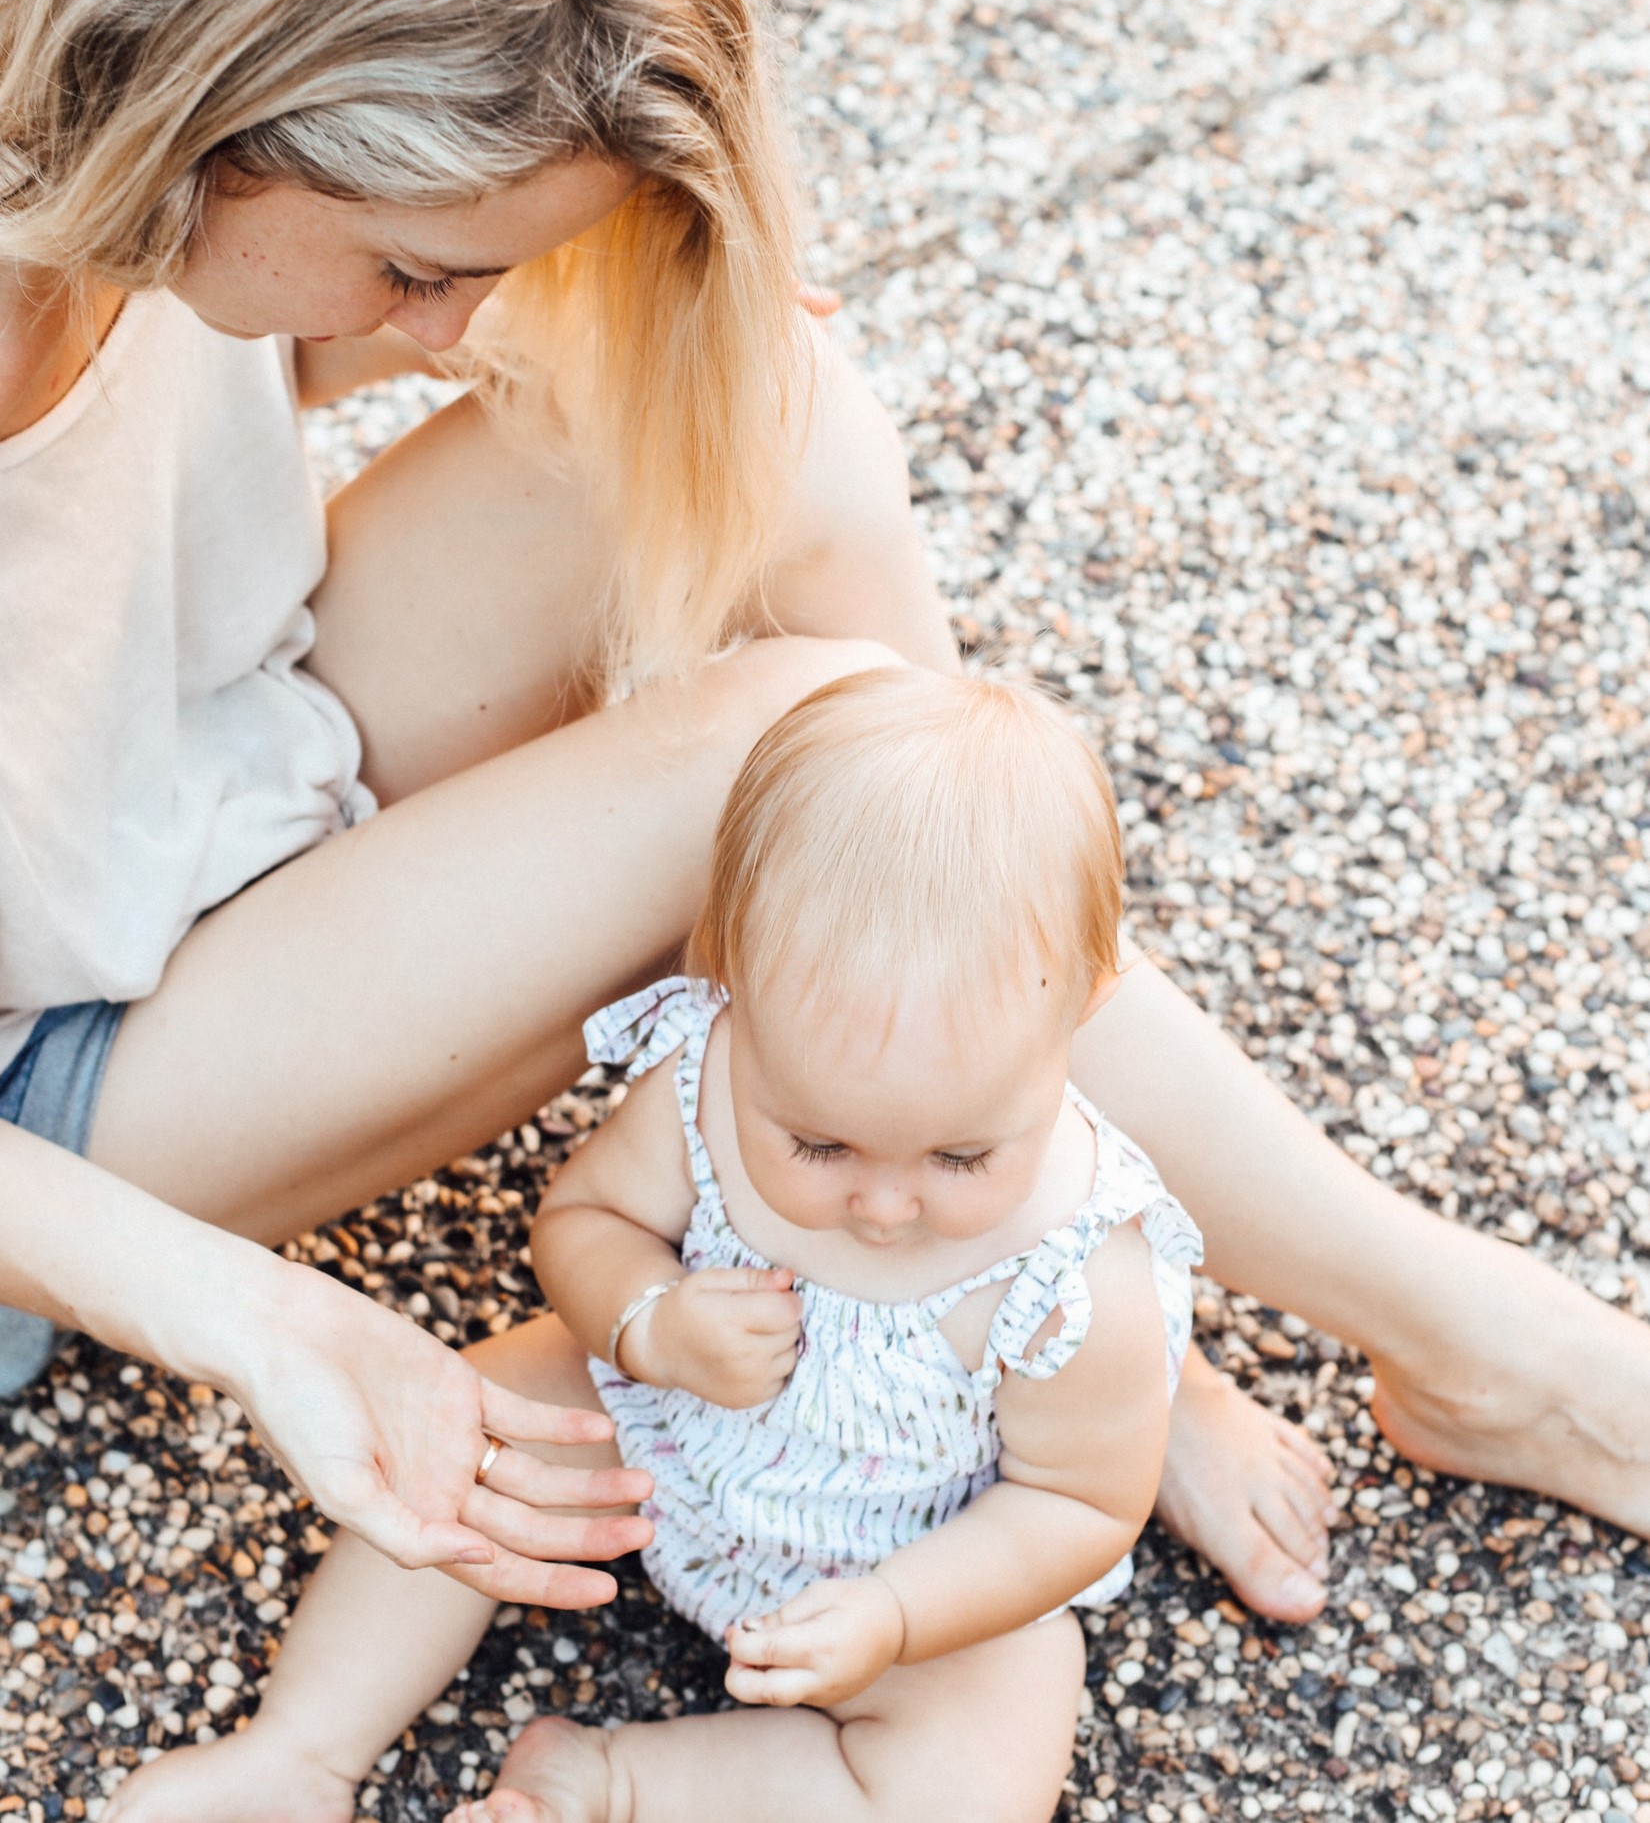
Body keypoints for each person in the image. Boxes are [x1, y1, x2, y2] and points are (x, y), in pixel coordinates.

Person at [1, 0, 1645, 1658]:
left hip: (173, 760)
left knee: (773, 413)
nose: (441, 332)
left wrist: (642, 297)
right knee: (788, 763)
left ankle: (1019, 1256)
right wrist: (261, 1317)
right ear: (217, 113)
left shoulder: (102, 7)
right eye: (418, 269)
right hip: (57, 1090)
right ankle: (1460, 1344)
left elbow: (215, 373)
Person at [108, 667, 1205, 1823]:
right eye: (820, 1144)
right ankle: (299, 1749)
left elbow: (1075, 1508)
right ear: (732, 981)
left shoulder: (1076, 1279)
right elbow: (586, 1221)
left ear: (1082, 1004)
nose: (885, 1207)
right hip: (659, 1438)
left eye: (961, 1158)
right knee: (471, 1414)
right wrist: (646, 1320)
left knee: (983, 1763)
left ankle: (614, 1785)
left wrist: (896, 1613)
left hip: (917, 1562)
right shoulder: (711, 1075)